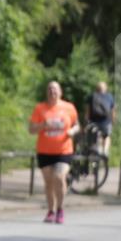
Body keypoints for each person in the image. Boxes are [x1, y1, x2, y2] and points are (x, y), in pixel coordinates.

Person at [28, 81, 80, 224]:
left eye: (55, 89)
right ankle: (51, 211)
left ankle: (60, 209)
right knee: (48, 182)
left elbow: (77, 125)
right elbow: (31, 129)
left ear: (60, 92)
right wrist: (42, 125)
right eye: (50, 89)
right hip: (44, 151)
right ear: (47, 93)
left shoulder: (68, 107)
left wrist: (73, 131)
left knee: (59, 177)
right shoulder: (40, 108)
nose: (52, 92)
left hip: (63, 150)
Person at [85, 81, 116, 156]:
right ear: (106, 88)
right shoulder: (110, 97)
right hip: (105, 121)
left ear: (96, 88)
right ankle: (105, 151)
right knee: (107, 136)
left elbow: (88, 110)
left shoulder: (92, 96)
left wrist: (86, 120)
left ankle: (93, 149)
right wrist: (113, 121)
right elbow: (113, 111)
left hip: (93, 121)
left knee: (92, 136)